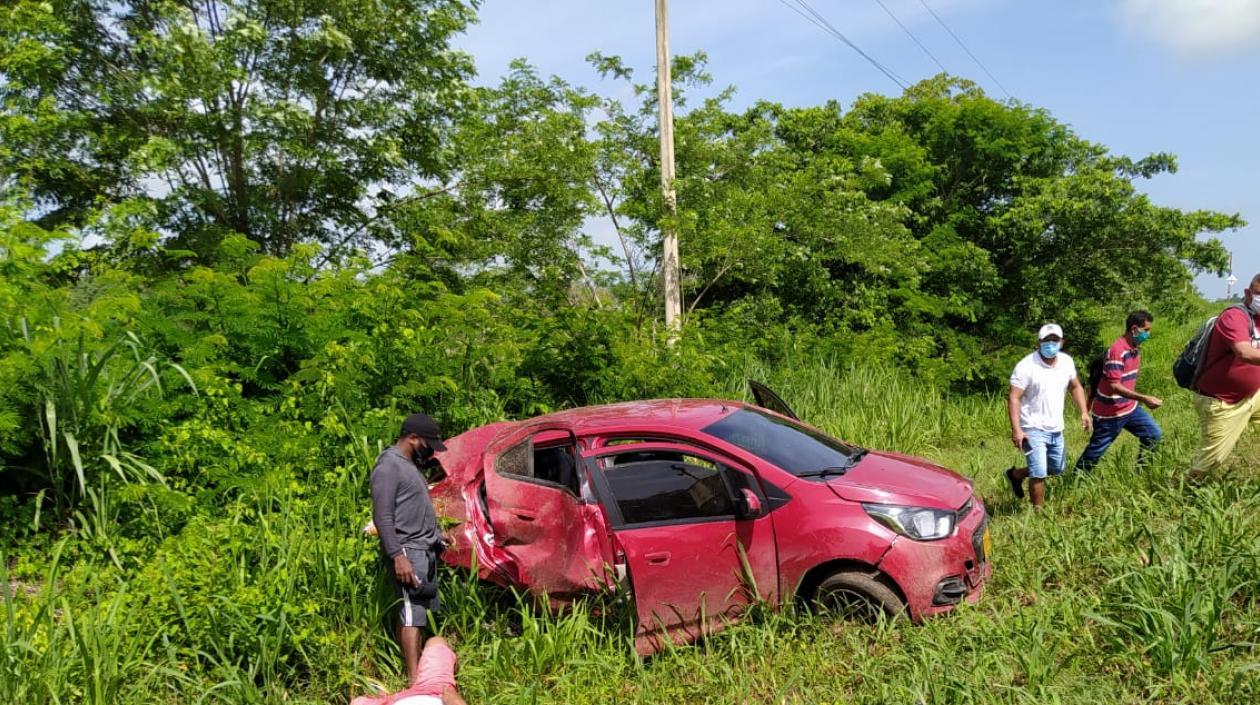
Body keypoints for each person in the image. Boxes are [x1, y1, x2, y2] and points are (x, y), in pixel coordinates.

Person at [371, 413, 447, 683]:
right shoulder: (389, 466)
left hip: (423, 550)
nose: (429, 450)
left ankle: (423, 672)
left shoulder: (408, 465)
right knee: (411, 613)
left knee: (418, 612)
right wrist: (397, 556)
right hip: (407, 552)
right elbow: (383, 516)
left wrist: (437, 536)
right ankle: (414, 681)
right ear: (413, 438)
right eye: (427, 443)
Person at [1004, 323, 1092, 508]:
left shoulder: (1066, 362)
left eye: (1055, 340)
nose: (1050, 343)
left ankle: (1015, 475)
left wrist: (1084, 412)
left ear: (1061, 342)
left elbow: (1075, 386)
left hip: (1055, 427)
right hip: (1032, 426)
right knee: (1039, 473)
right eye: (1046, 340)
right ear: (1038, 342)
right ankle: (1039, 513)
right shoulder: (1026, 366)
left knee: (1056, 468)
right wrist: (1017, 430)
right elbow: (1014, 397)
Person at [1074, 311, 1163, 473]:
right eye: (1147, 330)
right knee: (1094, 453)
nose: (1148, 334)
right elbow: (1115, 386)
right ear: (1135, 329)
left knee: (1153, 435)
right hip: (1110, 414)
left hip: (1129, 408)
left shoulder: (1134, 349)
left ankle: (1141, 473)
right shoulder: (1118, 351)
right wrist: (1144, 398)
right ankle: (1075, 481)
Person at [1191, 273, 1260, 475]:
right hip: (1223, 403)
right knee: (1210, 463)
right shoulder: (1234, 317)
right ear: (1247, 293)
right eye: (1258, 293)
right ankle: (1182, 494)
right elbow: (1244, 352)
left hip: (1253, 395)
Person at [351, 636, 467, 705]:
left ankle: (385, 695)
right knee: (436, 642)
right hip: (436, 692)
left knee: (357, 702)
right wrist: (455, 700)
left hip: (394, 702)